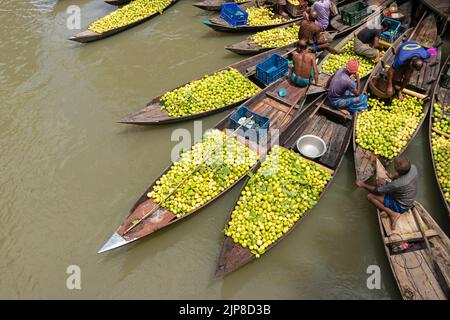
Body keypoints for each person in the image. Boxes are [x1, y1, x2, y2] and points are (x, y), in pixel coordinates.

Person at [356, 156, 418, 229]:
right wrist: (392, 177)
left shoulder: (397, 184)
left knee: (370, 196)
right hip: (407, 197)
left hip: (401, 205)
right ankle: (389, 209)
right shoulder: (413, 168)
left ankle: (393, 214)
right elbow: (400, 174)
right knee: (380, 181)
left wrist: (363, 185)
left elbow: (377, 190)